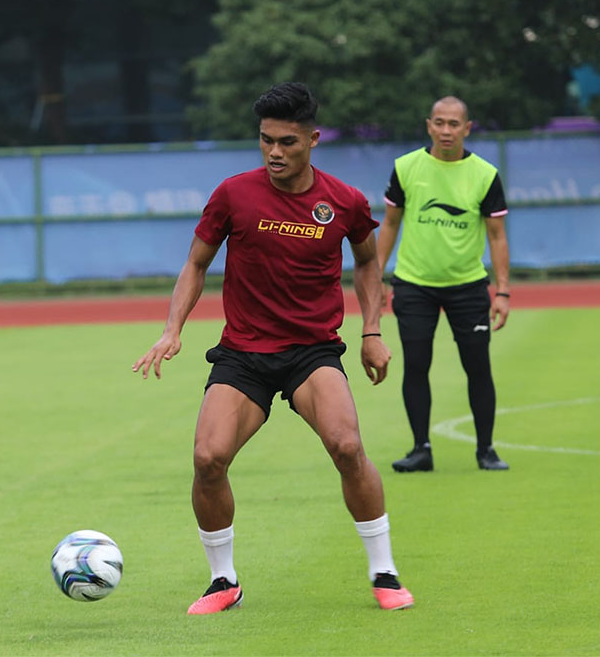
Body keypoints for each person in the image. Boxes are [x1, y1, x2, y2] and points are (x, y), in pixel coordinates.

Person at [132, 82, 414, 614]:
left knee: (348, 448)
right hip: (243, 355)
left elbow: (368, 261)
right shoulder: (233, 194)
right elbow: (196, 263)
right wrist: (172, 330)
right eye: (265, 141)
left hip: (312, 352)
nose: (275, 152)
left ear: (313, 138)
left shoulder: (345, 201)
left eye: (287, 141)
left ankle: (384, 571)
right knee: (207, 458)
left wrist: (372, 331)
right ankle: (223, 583)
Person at [376, 96, 511, 473]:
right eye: (440, 123)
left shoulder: (485, 174)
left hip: (468, 287)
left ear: (467, 128)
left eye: (454, 124)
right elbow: (389, 223)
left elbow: (497, 236)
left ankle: (486, 450)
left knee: (478, 367)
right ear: (428, 125)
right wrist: (375, 277)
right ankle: (421, 448)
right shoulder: (406, 167)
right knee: (416, 365)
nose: (446, 130)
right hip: (414, 284)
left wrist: (502, 291)